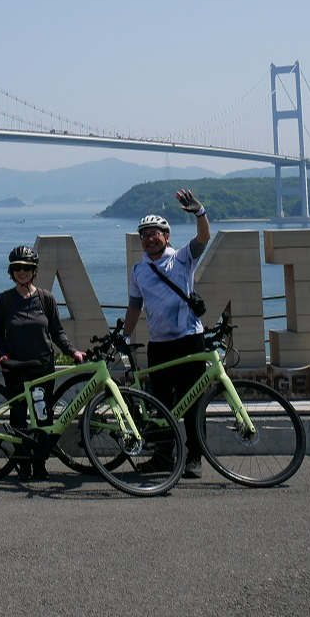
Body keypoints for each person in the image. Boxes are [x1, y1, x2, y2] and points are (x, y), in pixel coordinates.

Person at [123, 189, 211, 479]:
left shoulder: (182, 259)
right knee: (159, 405)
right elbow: (135, 308)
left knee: (193, 403)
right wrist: (124, 336)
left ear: (167, 236)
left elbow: (203, 239)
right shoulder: (139, 271)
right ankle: (163, 456)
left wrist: (200, 213)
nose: (150, 238)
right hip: (159, 344)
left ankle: (195, 458)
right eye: (144, 235)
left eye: (155, 233)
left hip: (189, 340)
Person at [0, 245, 86, 480]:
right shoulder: (3, 300)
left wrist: (73, 352)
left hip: (43, 367)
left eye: (27, 268)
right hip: (15, 368)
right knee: (18, 417)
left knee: (43, 417)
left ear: (34, 270)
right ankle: (23, 462)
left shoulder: (46, 298)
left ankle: (40, 463)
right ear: (11, 271)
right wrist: (2, 355)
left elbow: (57, 333)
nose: (22, 272)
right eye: (17, 268)